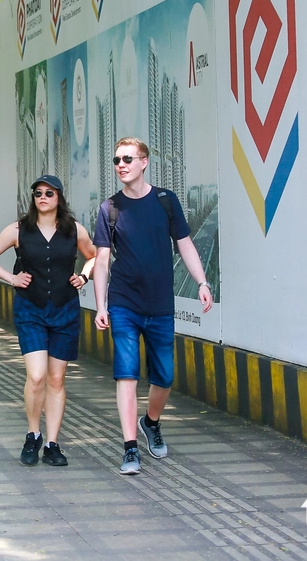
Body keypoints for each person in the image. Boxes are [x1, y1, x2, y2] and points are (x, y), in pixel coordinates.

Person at [92, 137, 213, 475]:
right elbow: (101, 262)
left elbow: (185, 245)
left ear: (144, 162)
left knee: (165, 376)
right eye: (116, 160)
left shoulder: (165, 201)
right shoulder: (109, 208)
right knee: (126, 374)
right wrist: (101, 305)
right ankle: (130, 448)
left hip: (159, 304)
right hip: (124, 304)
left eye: (128, 158)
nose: (121, 165)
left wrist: (202, 282)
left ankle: (151, 421)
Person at [0, 175, 96, 467]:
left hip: (65, 309)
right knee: (37, 376)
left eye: (49, 193)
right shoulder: (19, 230)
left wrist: (83, 276)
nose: (42, 197)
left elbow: (95, 257)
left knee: (57, 379)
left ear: (59, 198)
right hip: (30, 309)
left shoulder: (74, 231)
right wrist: (12, 278)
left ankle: (53, 444)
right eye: (37, 193)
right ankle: (33, 434)